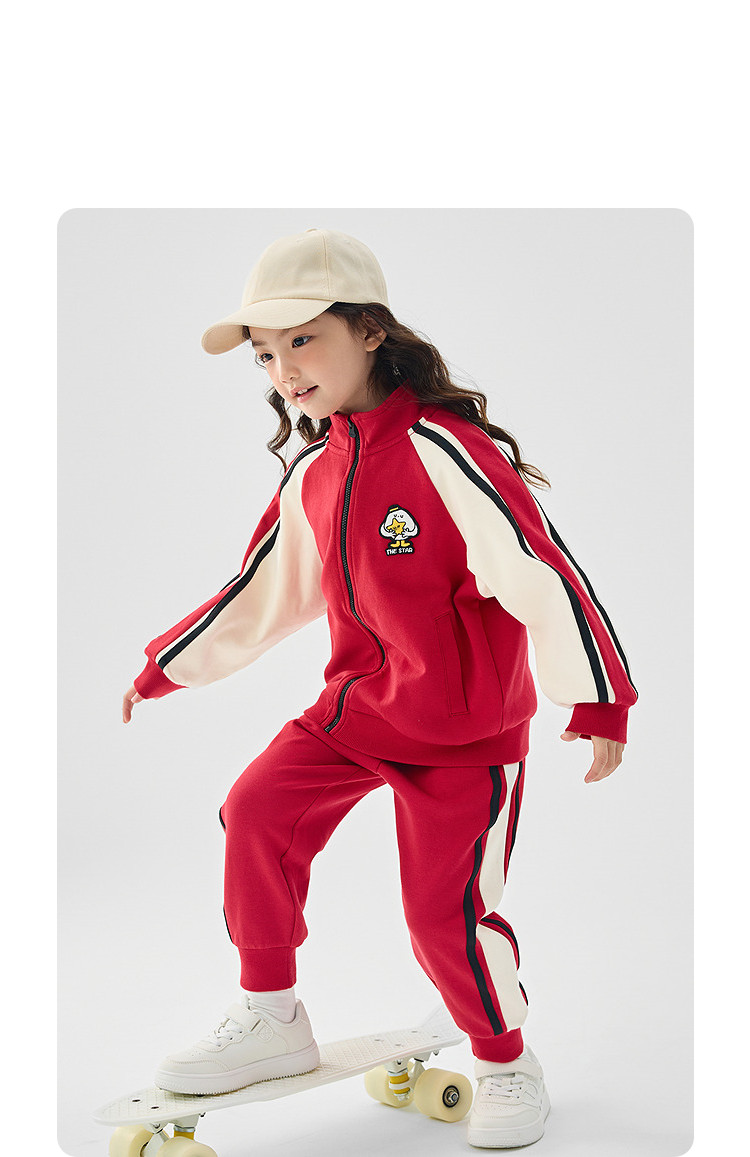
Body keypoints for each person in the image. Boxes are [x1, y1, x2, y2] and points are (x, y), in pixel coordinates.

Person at [122, 227, 637, 1149]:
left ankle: (506, 1058)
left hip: (464, 736)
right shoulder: (315, 471)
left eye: (302, 339)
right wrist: (169, 663)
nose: (284, 368)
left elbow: (538, 567)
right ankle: (272, 1014)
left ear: (369, 331)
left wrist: (598, 694)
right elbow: (264, 587)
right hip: (355, 713)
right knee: (256, 810)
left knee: (443, 918)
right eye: (264, 353)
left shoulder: (447, 450)